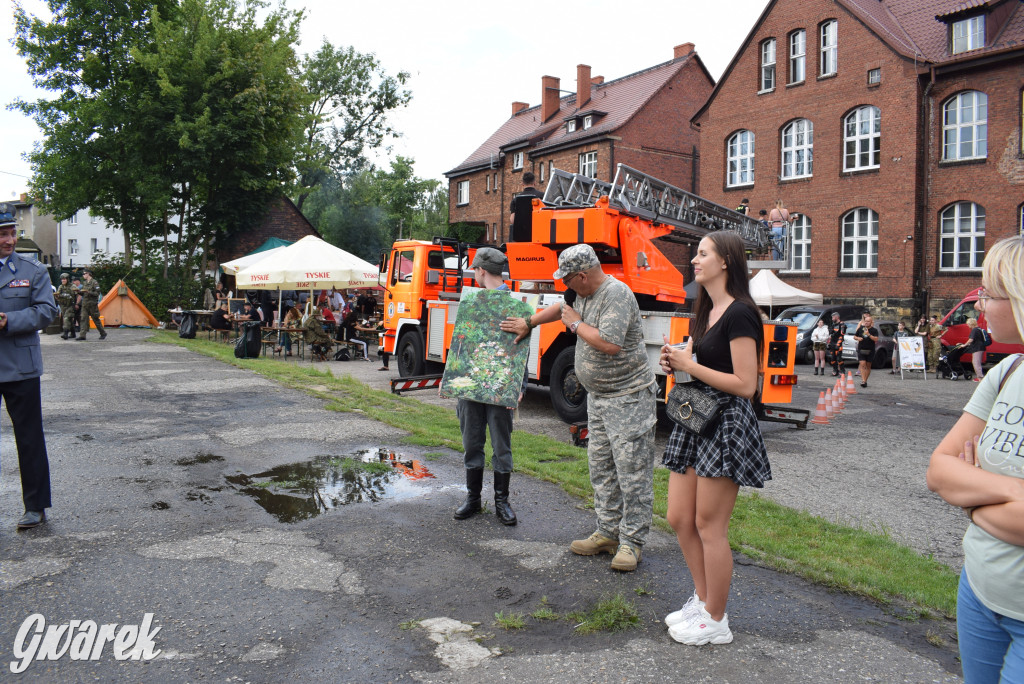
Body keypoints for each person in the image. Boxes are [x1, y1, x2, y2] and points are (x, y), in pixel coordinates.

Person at [501, 243, 656, 570]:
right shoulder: (579, 294)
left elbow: (610, 344)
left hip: (628, 397)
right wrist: (529, 322)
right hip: (598, 399)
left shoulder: (617, 294)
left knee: (631, 471)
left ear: (583, 276)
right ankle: (607, 532)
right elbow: (560, 309)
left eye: (568, 280)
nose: (564, 287)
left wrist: (574, 324)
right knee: (601, 467)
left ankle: (632, 543)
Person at [658, 231, 770, 646]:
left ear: (725, 261)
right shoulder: (704, 310)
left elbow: (745, 384)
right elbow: (706, 369)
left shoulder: (741, 313)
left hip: (725, 423)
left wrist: (693, 365)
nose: (694, 260)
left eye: (702, 253)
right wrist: (680, 365)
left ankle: (717, 620)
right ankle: (703, 601)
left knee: (709, 524)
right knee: (678, 517)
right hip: (697, 419)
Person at [926, 235, 1024, 683]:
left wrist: (970, 496)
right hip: (979, 590)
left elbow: (956, 478)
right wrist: (1008, 492)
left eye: (989, 292)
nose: (981, 303)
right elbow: (939, 470)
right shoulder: (1007, 373)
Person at [450, 248, 523, 526]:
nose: (475, 275)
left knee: (501, 446)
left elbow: (522, 348)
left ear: (480, 270)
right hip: (470, 385)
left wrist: (518, 385)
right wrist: (452, 380)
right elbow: (461, 343)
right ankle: (473, 498)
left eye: (475, 271)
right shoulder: (471, 301)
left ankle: (502, 502)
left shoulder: (515, 304)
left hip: (500, 387)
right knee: (472, 442)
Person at [0, 204, 59, 528]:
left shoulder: (32, 270)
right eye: (2, 235)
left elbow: (46, 311)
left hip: (20, 366)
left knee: (29, 438)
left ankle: (35, 506)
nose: (9, 240)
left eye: (11, 233)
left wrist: (10, 319)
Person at [509, 171, 545, 242]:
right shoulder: (543, 196)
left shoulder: (515, 200)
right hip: (540, 236)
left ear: (522, 184)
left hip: (521, 237)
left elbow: (513, 220)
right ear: (534, 182)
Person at [76, 268, 106, 341]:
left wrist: (88, 292)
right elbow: (83, 293)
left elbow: (97, 293)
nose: (83, 275)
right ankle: (82, 335)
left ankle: (103, 333)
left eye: (84, 274)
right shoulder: (85, 283)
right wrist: (78, 291)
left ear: (88, 274)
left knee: (95, 319)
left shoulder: (94, 282)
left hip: (92, 304)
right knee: (83, 319)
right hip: (85, 304)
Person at [853, 313, 879, 388]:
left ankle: (865, 380)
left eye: (868, 321)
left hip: (870, 350)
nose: (866, 322)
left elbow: (876, 339)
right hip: (861, 349)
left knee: (868, 366)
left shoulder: (874, 330)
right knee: (862, 364)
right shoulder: (861, 328)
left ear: (871, 322)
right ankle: (863, 381)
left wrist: (869, 335)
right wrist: (858, 338)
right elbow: (855, 336)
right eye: (866, 321)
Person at [55, 273, 77, 340]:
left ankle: (65, 333)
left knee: (66, 318)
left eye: (64, 279)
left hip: (70, 305)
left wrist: (76, 304)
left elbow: (77, 294)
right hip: (63, 305)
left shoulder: (72, 286)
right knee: (69, 320)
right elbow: (57, 295)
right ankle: (73, 333)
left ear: (67, 279)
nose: (63, 281)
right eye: (62, 279)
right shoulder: (61, 287)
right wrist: (57, 297)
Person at [826, 311, 847, 377]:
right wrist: (828, 343)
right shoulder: (832, 325)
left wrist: (838, 344)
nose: (832, 318)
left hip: (838, 344)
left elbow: (841, 336)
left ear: (837, 317)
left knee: (839, 358)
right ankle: (835, 370)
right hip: (832, 343)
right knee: (832, 359)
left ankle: (842, 370)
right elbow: (830, 335)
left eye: (833, 317)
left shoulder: (842, 325)